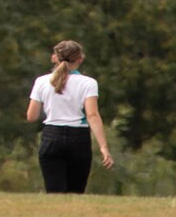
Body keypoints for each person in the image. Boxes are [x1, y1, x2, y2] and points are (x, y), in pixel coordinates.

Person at [23, 39, 115, 193]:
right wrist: (103, 147)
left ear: (54, 58)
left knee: (54, 192)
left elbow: (31, 116)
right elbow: (92, 115)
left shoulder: (41, 82)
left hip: (52, 136)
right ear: (80, 59)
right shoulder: (88, 83)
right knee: (75, 192)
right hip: (78, 138)